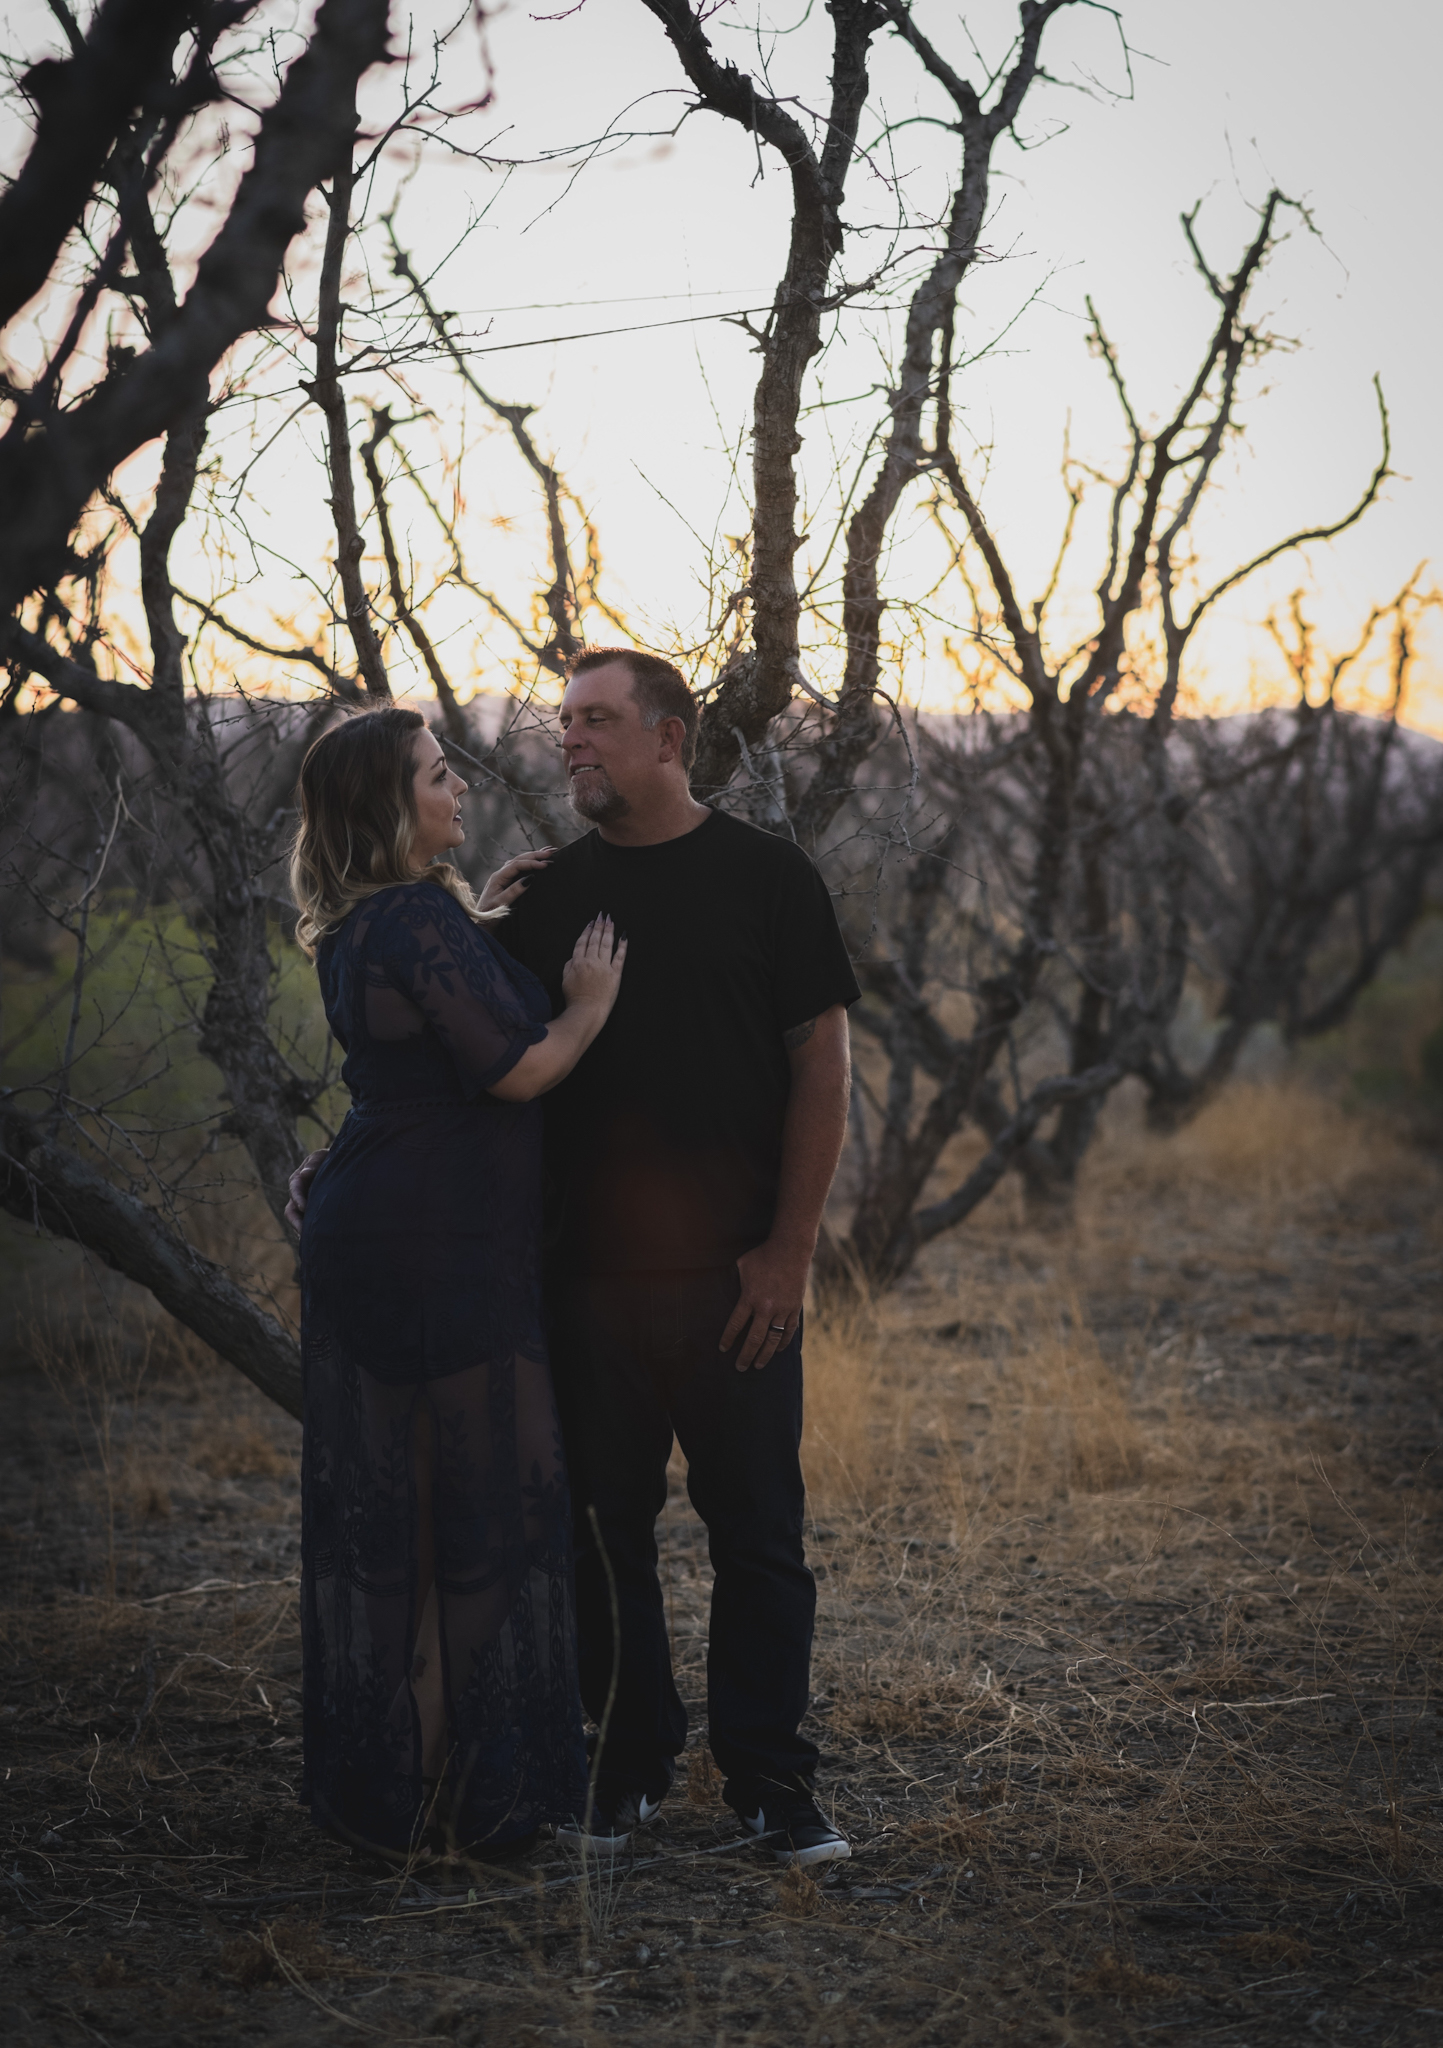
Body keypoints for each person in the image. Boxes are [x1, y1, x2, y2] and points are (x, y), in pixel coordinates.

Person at [290, 652, 859, 1869]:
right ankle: (626, 1770)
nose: (571, 743)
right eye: (563, 725)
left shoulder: (769, 877)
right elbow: (437, 1057)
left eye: (597, 722)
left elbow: (824, 1061)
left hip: (733, 1281)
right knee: (603, 1538)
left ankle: (772, 1786)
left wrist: (789, 1250)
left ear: (672, 735)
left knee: (759, 1531)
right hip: (573, 1284)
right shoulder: (543, 898)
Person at [287, 705, 625, 1864]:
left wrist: (478, 920)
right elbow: (513, 1070)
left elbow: (406, 1047)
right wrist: (582, 1009)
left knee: (415, 1535)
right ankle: (476, 1813)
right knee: (487, 1523)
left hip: (383, 1226)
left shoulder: (368, 921)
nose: (461, 790)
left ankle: (422, 1809)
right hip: (437, 1248)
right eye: (439, 777)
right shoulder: (416, 916)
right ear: (392, 806)